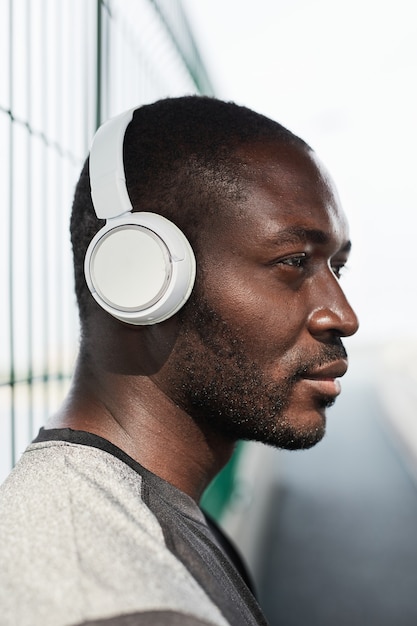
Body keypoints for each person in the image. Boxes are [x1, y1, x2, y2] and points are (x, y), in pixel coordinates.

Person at [0, 96, 358, 626]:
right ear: (142, 278)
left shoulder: (137, 512)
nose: (343, 316)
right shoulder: (116, 600)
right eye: (293, 262)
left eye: (337, 268)